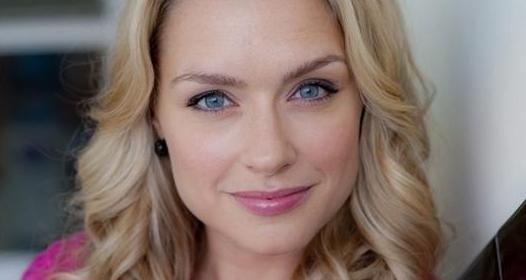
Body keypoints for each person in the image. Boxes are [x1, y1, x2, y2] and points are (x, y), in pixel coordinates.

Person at [22, 0, 443, 279]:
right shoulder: (69, 273)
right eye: (212, 99)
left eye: (311, 89)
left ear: (365, 103)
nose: (269, 154)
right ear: (153, 116)